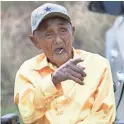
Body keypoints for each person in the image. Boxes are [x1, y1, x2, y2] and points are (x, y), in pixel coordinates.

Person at [14, 3, 116, 124]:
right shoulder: (27, 72)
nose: (58, 40)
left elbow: (104, 115)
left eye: (63, 30)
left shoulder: (99, 65)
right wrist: (53, 81)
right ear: (35, 42)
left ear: (72, 32)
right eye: (48, 34)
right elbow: (28, 116)